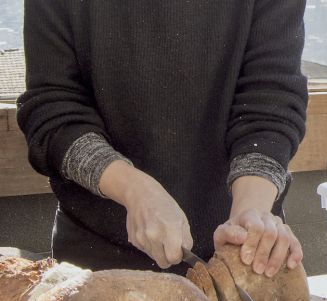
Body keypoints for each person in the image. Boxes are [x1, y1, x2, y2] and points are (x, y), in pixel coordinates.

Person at [17, 0, 308, 278]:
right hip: (100, 261)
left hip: (242, 262)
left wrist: (250, 218)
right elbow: (52, 109)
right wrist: (134, 190)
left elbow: (271, 102)